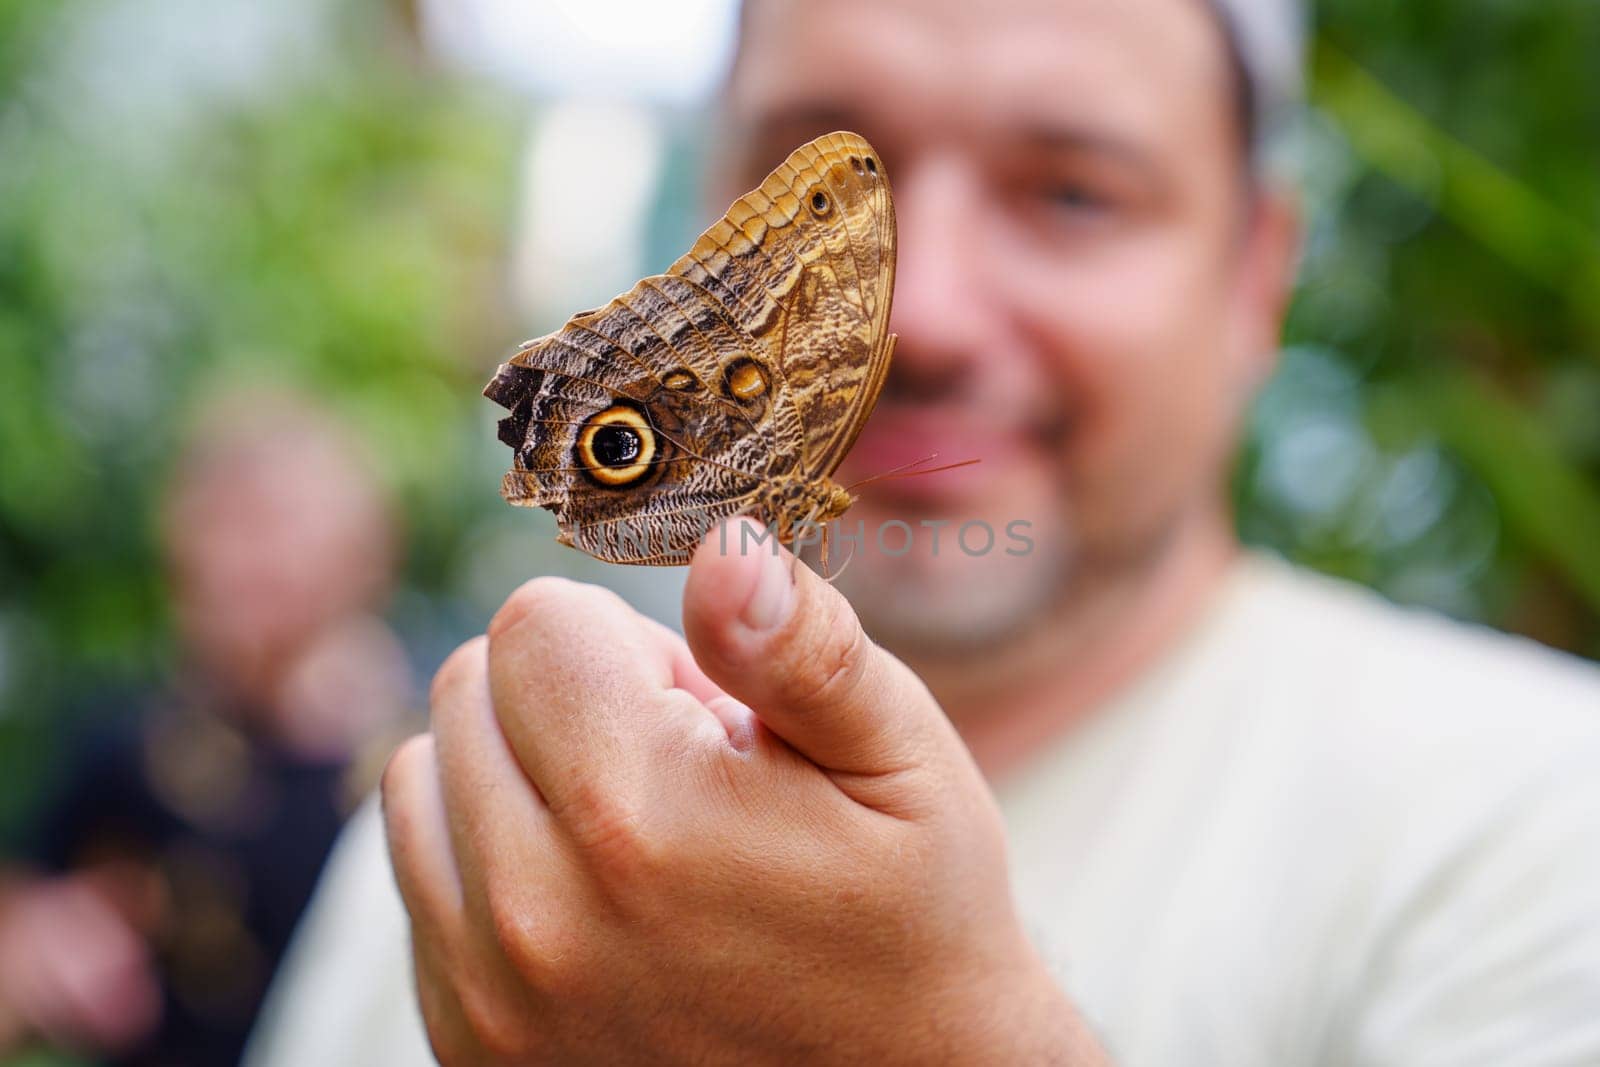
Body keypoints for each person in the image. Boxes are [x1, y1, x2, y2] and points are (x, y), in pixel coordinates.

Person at [250, 0, 1600, 1064]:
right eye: (815, 187)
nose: (922, 310)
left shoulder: (1538, 819)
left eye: (1072, 193)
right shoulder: (496, 815)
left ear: (1257, 278)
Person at [0, 390, 415, 1065]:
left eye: (281, 523)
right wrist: (44, 948)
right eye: (224, 523)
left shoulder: (425, 754)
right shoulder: (128, 744)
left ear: (365, 550)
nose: (251, 560)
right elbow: (22, 927)